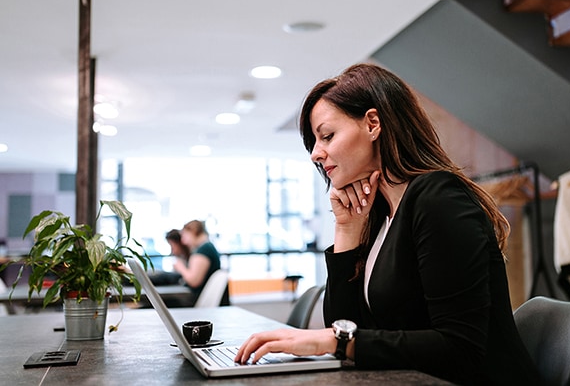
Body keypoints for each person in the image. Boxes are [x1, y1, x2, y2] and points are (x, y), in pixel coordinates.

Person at [234, 63, 541, 385]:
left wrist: (333, 341)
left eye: (327, 136)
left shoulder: (438, 198)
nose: (315, 154)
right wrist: (347, 230)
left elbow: (460, 348)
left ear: (372, 124)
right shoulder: (381, 216)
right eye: (314, 142)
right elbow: (348, 325)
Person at [175, 220, 229, 306]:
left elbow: (194, 281)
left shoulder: (204, 250)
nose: (183, 241)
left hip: (195, 300)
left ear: (193, 232)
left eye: (185, 235)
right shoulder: (205, 248)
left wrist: (181, 267)